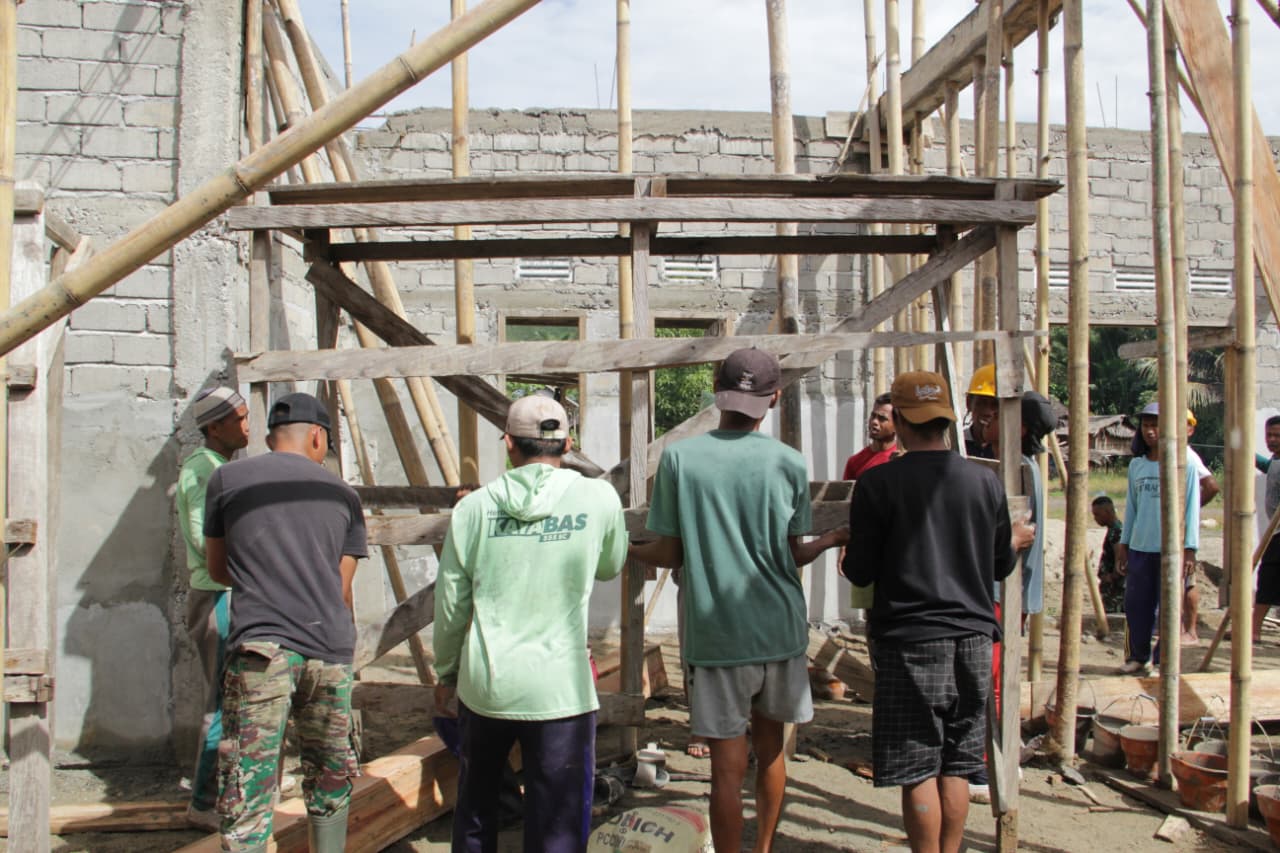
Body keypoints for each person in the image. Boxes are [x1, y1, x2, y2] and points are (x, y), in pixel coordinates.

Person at [629, 347, 845, 853]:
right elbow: (793, 554)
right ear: (775, 397)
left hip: (717, 634)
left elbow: (669, 551)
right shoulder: (789, 463)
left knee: (726, 771)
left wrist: (628, 549)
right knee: (771, 753)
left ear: (715, 389)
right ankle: (763, 847)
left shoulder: (681, 458)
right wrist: (830, 541)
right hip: (779, 631)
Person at [433, 394, 627, 853]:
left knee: (476, 810)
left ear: (508, 444)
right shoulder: (598, 496)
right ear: (568, 444)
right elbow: (610, 564)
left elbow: (452, 604)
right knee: (557, 822)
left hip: (487, 687)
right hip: (561, 691)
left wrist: (446, 674)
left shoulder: (474, 508)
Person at [842, 370, 1019, 853]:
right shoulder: (984, 482)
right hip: (975, 641)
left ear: (899, 420)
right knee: (958, 763)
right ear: (946, 418)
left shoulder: (877, 483)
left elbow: (859, 572)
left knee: (917, 765)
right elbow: (1001, 564)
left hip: (911, 642)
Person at [205, 392, 366, 853]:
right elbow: (340, 587)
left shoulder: (226, 479)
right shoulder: (344, 494)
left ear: (270, 437)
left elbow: (218, 569)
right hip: (328, 651)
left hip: (261, 653)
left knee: (248, 786)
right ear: (317, 437)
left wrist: (264, 577)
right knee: (330, 776)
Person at [176, 386, 250, 831]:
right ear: (215, 427)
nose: (247, 426)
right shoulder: (204, 471)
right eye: (239, 419)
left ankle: (221, 791)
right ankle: (203, 802)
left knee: (230, 698)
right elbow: (208, 543)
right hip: (217, 595)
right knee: (223, 701)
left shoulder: (216, 467)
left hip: (222, 593)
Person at [1116, 401, 1200, 674]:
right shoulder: (1137, 466)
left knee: (1169, 608)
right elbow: (1132, 507)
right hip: (1141, 547)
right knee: (1136, 605)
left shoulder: (1184, 465)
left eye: (1156, 425)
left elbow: (1192, 507)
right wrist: (1124, 544)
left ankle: (1163, 659)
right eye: (1146, 425)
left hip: (1171, 550)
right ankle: (1138, 657)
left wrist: (1190, 548)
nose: (1150, 431)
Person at [1183, 410, 1220, 644]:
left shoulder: (1188, 456)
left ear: (1190, 430)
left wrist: (1190, 509)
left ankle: (1190, 630)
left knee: (1186, 579)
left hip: (1182, 531)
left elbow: (1212, 486)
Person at [1253, 415, 1280, 642]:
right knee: (1268, 578)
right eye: (1269, 435)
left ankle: (1253, 630)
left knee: (1268, 576)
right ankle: (1253, 630)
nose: (1272, 439)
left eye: (1277, 436)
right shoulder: (1276, 460)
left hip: (1279, 533)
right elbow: (1268, 467)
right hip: (1276, 531)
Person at [842, 392, 897, 480]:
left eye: (882, 418)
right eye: (873, 416)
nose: (874, 421)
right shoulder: (855, 462)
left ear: (897, 425)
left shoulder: (902, 459)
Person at [1093, 495, 1126, 614]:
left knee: (1113, 617)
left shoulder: (1116, 531)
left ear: (1107, 512)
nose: (1095, 518)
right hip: (1113, 587)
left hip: (1114, 590)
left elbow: (1120, 557)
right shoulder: (1115, 529)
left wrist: (1112, 577)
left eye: (1097, 514)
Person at [963, 363, 998, 459]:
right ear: (969, 403)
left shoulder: (1013, 450)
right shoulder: (956, 443)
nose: (988, 412)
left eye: (995, 405)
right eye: (982, 403)